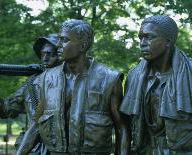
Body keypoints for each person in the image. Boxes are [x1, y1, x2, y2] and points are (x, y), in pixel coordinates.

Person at [36, 19, 130, 155]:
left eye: (64, 40)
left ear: (83, 45)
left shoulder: (109, 79)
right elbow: (36, 124)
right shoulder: (47, 78)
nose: (58, 45)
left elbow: (122, 128)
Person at [120, 15, 192, 154]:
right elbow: (127, 125)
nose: (142, 43)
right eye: (140, 37)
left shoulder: (189, 72)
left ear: (168, 41)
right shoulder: (134, 75)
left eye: (149, 37)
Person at [0, 33, 59, 154]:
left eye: (51, 54)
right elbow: (4, 111)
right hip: (35, 149)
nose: (45, 58)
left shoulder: (75, 83)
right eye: (42, 54)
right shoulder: (31, 84)